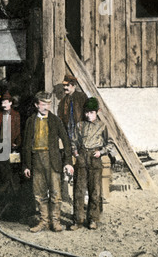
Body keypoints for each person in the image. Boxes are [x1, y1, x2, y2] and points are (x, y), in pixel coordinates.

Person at [22, 91, 74, 233]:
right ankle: (43, 221)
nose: (46, 107)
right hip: (36, 160)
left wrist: (68, 162)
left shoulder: (55, 120)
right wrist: (26, 165)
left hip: (53, 161)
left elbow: (66, 142)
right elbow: (26, 145)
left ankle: (55, 221)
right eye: (43, 104)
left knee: (56, 193)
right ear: (36, 105)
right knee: (39, 193)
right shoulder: (30, 121)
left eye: (48, 104)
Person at [70, 97, 114, 231]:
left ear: (98, 111)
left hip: (95, 158)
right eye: (87, 112)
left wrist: (101, 152)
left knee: (95, 191)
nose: (89, 115)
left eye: (92, 113)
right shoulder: (80, 125)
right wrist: (76, 153)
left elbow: (110, 143)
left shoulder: (103, 126)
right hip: (82, 157)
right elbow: (73, 141)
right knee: (79, 190)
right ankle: (78, 220)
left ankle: (93, 219)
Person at [0, 92, 21, 193]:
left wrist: (17, 142)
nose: (4, 105)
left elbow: (18, 130)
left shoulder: (16, 114)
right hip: (1, 143)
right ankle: (6, 185)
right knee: (3, 166)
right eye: (2, 103)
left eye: (6, 102)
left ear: (10, 103)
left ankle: (14, 187)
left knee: (12, 165)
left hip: (11, 144)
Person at [57, 75, 88, 141]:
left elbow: (88, 114)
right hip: (69, 133)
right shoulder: (63, 101)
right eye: (64, 85)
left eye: (67, 85)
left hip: (81, 133)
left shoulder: (82, 97)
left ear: (74, 85)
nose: (65, 87)